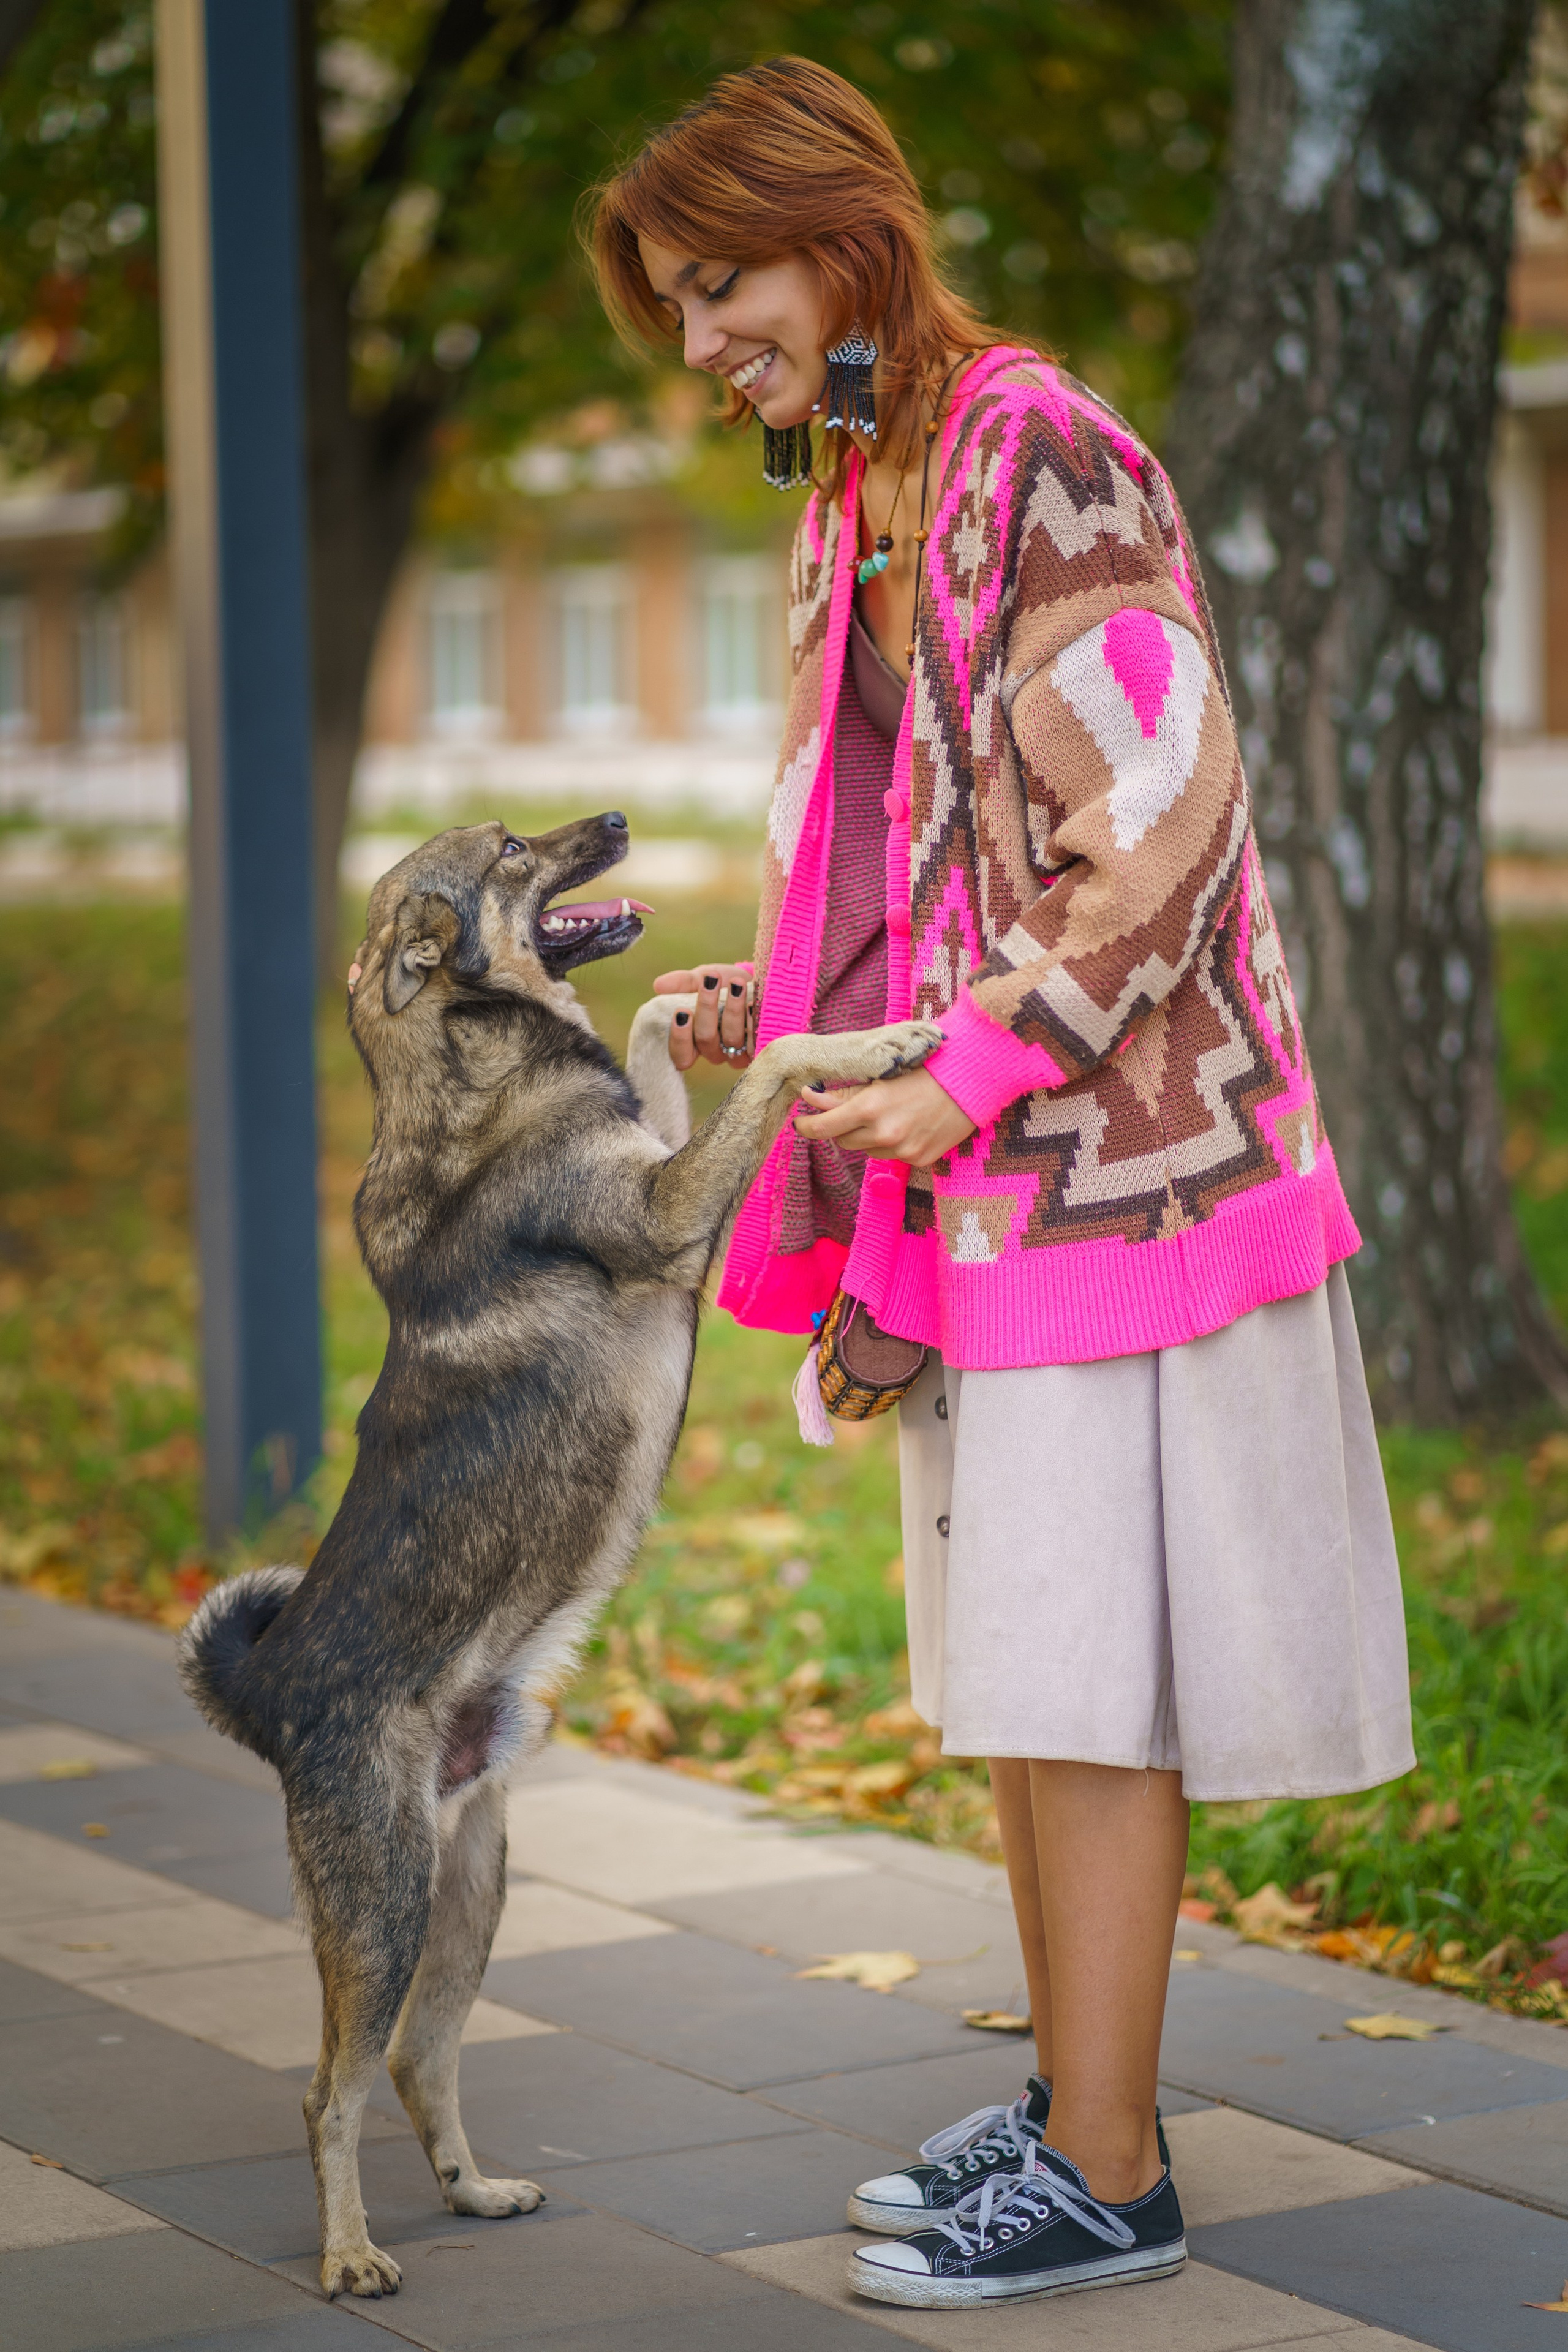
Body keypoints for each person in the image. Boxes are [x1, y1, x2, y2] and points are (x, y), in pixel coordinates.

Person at [589, 56, 1415, 2313]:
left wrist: (974, 1065)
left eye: (720, 283)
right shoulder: (867, 487)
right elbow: (911, 844)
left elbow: (1164, 809)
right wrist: (785, 1029)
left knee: (1088, 1686)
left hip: (1119, 1171)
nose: (698, 343)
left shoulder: (1038, 449)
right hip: (983, 1183)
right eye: (676, 304)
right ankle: (1071, 2107)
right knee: (1027, 1676)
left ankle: (1116, 2172)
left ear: (840, 228)